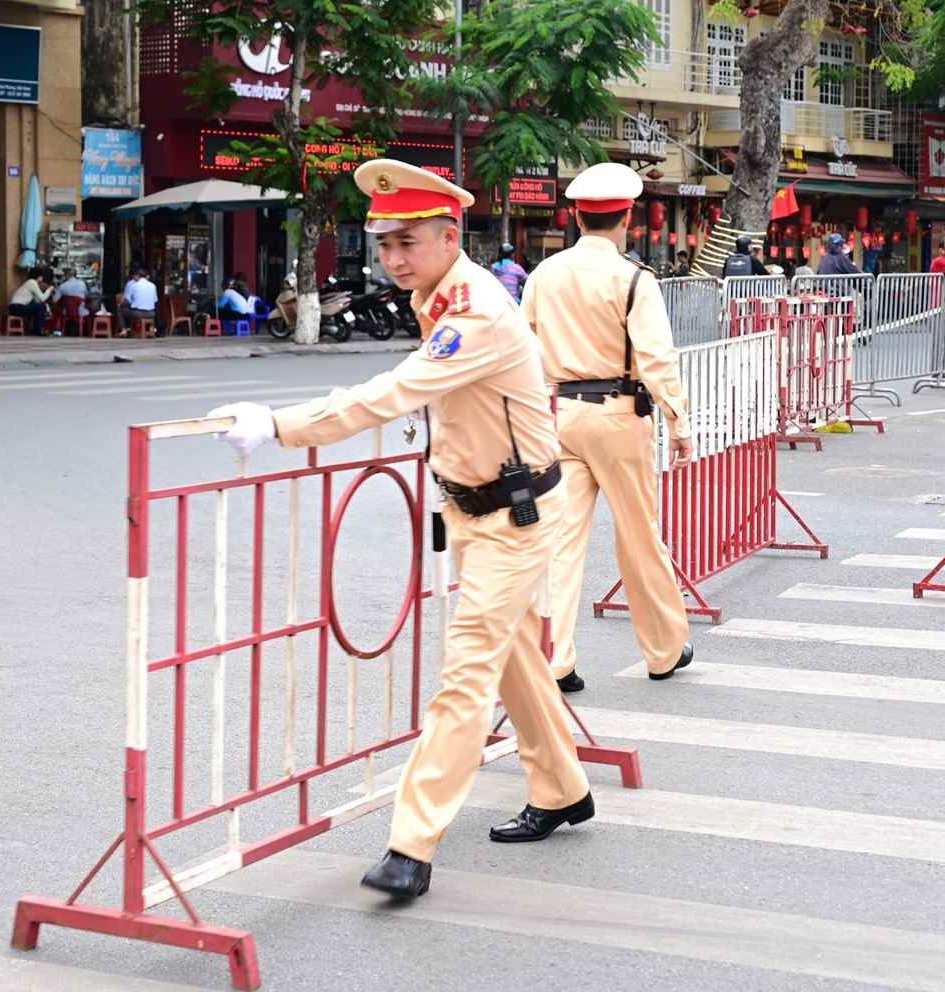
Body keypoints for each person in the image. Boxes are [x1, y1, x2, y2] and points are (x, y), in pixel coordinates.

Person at [210, 161, 592, 900]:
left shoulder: (475, 311)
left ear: (451, 237)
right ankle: (563, 788)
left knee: (464, 679)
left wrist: (283, 424)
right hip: (479, 512)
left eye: (407, 243)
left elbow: (396, 391)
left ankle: (411, 846)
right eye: (382, 243)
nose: (391, 259)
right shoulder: (440, 298)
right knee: (509, 657)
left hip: (513, 519)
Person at [521, 163, 696, 694]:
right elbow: (657, 360)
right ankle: (663, 650)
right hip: (619, 416)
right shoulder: (634, 280)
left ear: (576, 216)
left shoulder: (543, 276)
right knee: (640, 535)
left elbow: (523, 351)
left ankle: (554, 657)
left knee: (560, 541)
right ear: (627, 219)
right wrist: (680, 422)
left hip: (560, 416)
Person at [9, 269, 54, 336]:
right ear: (38, 276)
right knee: (40, 306)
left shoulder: (30, 283)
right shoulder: (32, 282)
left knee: (40, 307)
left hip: (16, 307)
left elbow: (38, 300)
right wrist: (49, 290)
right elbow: (42, 298)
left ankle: (36, 330)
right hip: (17, 307)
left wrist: (47, 308)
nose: (42, 278)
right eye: (41, 276)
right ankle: (38, 330)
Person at [119, 266, 158, 336]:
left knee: (121, 310)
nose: (133, 278)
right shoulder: (153, 285)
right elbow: (155, 301)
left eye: (135, 276)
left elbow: (127, 301)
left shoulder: (133, 285)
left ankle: (124, 329)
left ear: (138, 276)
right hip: (151, 314)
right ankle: (152, 328)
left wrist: (122, 304)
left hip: (137, 313)